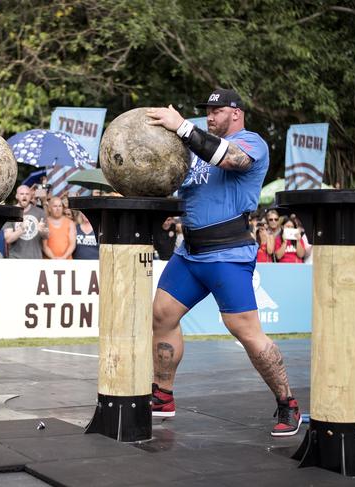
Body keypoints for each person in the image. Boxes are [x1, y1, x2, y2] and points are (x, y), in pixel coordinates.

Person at [146, 88, 300, 436]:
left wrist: (183, 126)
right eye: (207, 112)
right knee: (161, 315)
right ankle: (163, 396)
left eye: (216, 111)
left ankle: (288, 403)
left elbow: (232, 161)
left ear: (236, 113)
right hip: (190, 253)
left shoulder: (252, 143)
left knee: (246, 332)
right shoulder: (197, 152)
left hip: (227, 254)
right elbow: (180, 186)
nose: (210, 116)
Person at [3, 185, 49, 259]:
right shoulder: (11, 212)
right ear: (17, 196)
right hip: (16, 260)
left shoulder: (40, 213)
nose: (24, 196)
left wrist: (42, 231)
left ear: (31, 196)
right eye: (22, 194)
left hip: (35, 259)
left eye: (27, 194)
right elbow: (8, 239)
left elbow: (46, 236)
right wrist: (21, 229)